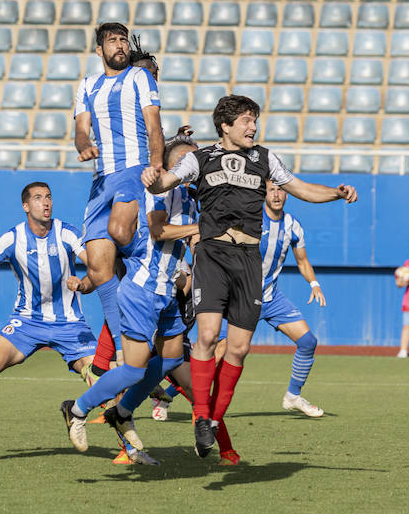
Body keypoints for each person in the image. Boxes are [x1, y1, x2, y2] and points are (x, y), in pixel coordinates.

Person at [145, 94, 357, 460]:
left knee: (240, 348)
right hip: (212, 254)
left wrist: (336, 194)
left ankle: (212, 421)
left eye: (254, 120)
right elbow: (165, 182)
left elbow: (302, 189)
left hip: (247, 260)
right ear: (225, 126)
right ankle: (199, 416)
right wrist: (153, 179)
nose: (253, 127)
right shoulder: (201, 159)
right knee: (208, 336)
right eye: (245, 121)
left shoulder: (265, 158)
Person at [61, 131, 199, 465]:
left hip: (168, 290)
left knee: (170, 359)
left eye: (194, 160)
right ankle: (77, 409)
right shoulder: (156, 189)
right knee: (135, 369)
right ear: (167, 166)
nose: (191, 166)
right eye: (183, 160)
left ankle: (122, 411)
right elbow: (158, 231)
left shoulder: (192, 199)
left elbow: (191, 244)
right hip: (143, 289)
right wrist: (199, 232)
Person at [0, 182, 99, 463]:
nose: (46, 203)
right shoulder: (12, 238)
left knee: (104, 381)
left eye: (49, 197)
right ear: (26, 206)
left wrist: (84, 282)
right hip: (27, 321)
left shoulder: (66, 232)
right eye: (38, 198)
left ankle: (86, 418)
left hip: (69, 323)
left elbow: (95, 266)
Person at [73, 23, 164, 363]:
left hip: (133, 169)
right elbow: (81, 130)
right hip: (101, 178)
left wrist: (154, 164)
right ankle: (126, 346)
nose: (120, 45)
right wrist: (84, 146)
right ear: (100, 50)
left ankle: (153, 267)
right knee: (98, 268)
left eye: (123, 39)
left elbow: (154, 126)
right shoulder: (86, 85)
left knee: (119, 231)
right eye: (112, 40)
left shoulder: (140, 78)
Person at [258, 181, 328, 417]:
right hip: (242, 298)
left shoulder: (293, 226)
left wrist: (314, 283)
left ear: (287, 194)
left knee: (308, 342)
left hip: (271, 298)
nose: (276, 194)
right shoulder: (251, 219)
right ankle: (166, 396)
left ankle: (293, 396)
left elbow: (302, 261)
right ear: (263, 193)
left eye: (281, 190)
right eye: (271, 190)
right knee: (217, 352)